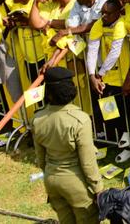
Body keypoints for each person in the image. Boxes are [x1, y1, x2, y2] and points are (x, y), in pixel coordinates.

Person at [32, 66, 102, 224]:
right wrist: (98, 189)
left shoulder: (37, 119)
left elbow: (41, 159)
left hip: (51, 180)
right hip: (76, 183)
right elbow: (87, 162)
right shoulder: (80, 119)